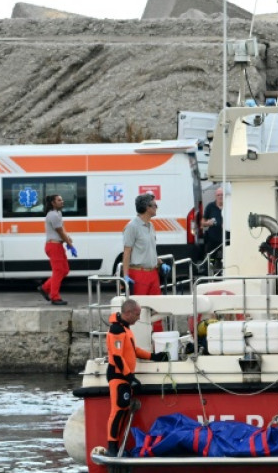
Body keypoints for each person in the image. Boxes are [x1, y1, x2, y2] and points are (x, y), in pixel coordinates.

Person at [106, 299, 169, 456]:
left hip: (124, 376)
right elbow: (117, 357)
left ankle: (117, 446)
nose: (139, 318)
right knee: (118, 411)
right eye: (137, 314)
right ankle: (112, 447)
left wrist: (154, 356)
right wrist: (130, 378)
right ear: (127, 313)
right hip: (118, 376)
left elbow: (133, 350)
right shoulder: (117, 330)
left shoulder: (125, 329)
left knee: (123, 411)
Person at [122, 193, 165, 331]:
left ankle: (158, 340)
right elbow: (127, 251)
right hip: (139, 273)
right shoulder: (132, 226)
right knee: (139, 310)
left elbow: (150, 248)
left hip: (153, 272)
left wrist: (158, 261)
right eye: (155, 205)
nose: (157, 207)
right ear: (148, 208)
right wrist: (125, 275)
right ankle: (140, 340)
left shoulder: (151, 226)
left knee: (158, 309)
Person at [37, 194, 72, 306]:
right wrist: (69, 243)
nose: (62, 202)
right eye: (59, 200)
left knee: (65, 270)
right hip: (54, 246)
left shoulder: (58, 214)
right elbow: (60, 232)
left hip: (58, 245)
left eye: (62, 199)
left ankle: (45, 287)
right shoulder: (52, 215)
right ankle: (54, 296)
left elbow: (62, 229)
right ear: (53, 203)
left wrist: (67, 238)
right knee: (58, 271)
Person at [202, 188, 226, 266]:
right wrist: (207, 223)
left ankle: (222, 273)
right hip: (213, 239)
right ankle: (210, 274)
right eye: (218, 195)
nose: (220, 197)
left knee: (224, 259)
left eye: (222, 195)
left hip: (226, 239)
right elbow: (202, 222)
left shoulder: (229, 206)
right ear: (215, 196)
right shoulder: (210, 207)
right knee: (211, 259)